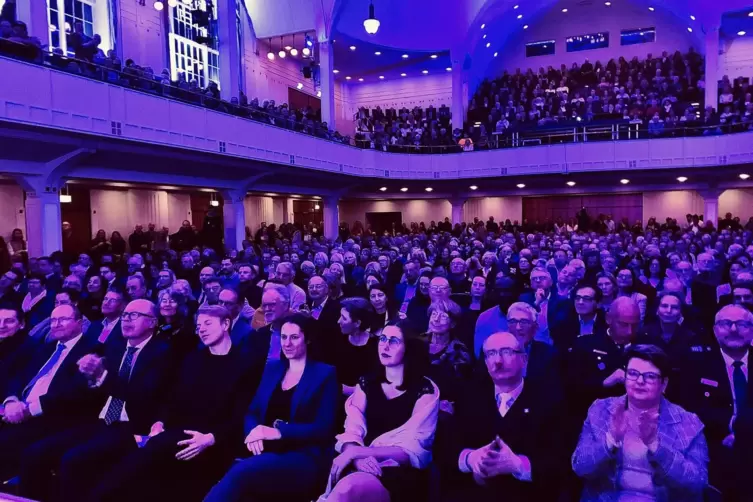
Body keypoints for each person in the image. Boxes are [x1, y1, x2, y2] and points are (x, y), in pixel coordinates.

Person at [65, 305, 262, 502]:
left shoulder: (245, 364)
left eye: (208, 324)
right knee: (122, 476)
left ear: (226, 324)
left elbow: (242, 413)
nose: (201, 329)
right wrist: (160, 422)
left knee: (145, 474)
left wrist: (210, 438)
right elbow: (173, 398)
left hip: (213, 441)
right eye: (199, 325)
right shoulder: (193, 359)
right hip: (177, 433)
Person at [18, 300, 175, 501]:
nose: (127, 319)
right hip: (96, 421)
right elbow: (86, 390)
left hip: (130, 426)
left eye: (135, 315)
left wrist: (102, 377)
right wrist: (90, 378)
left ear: (152, 322)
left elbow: (144, 396)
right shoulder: (113, 347)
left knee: (74, 460)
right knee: (34, 453)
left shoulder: (163, 352)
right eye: (125, 314)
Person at [204, 314, 339, 502]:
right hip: (266, 449)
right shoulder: (273, 368)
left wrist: (278, 432)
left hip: (303, 454)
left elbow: (324, 427)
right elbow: (253, 411)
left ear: (307, 339)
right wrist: (254, 432)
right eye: (283, 337)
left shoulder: (325, 373)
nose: (287, 343)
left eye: (294, 337)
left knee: (242, 471)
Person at [572, 344, 708, 501]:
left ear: (664, 384)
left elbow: (698, 483)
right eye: (633, 373)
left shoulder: (688, 423)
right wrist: (610, 440)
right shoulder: (600, 410)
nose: (640, 381)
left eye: (650, 376)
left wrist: (656, 447)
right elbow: (580, 467)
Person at [324, 321, 439, 502]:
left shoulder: (426, 390)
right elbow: (352, 431)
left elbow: (412, 450)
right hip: (359, 460)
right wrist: (356, 456)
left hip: (399, 470)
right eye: (382, 339)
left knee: (349, 488)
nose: (385, 346)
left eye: (393, 341)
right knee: (344, 479)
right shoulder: (366, 383)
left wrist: (358, 453)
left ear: (408, 348)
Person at [447, 332, 564, 501]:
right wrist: (470, 459)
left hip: (529, 495)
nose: (498, 361)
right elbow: (447, 447)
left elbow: (559, 459)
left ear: (524, 359)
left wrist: (518, 465)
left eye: (506, 352)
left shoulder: (549, 399)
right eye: (491, 354)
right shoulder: (468, 395)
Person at [0, 304, 101, 482]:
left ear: (79, 323)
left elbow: (75, 392)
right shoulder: (46, 347)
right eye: (53, 320)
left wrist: (29, 409)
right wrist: (10, 401)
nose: (56, 324)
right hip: (18, 408)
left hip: (51, 416)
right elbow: (19, 375)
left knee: (7, 443)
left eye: (63, 319)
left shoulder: (92, 350)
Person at [677, 304, 753, 494]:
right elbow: (688, 408)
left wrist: (743, 434)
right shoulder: (695, 362)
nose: (733, 329)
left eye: (742, 324)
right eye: (726, 324)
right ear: (715, 330)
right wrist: (728, 428)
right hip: (713, 445)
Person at [334, 297, 380, 397]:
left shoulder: (375, 346)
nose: (338, 321)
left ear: (357, 323)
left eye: (344, 318)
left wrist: (352, 391)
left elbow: (375, 383)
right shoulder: (337, 338)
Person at [156, 288, 198, 357]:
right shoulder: (156, 324)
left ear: (180, 305)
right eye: (164, 301)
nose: (167, 304)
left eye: (172, 301)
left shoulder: (186, 326)